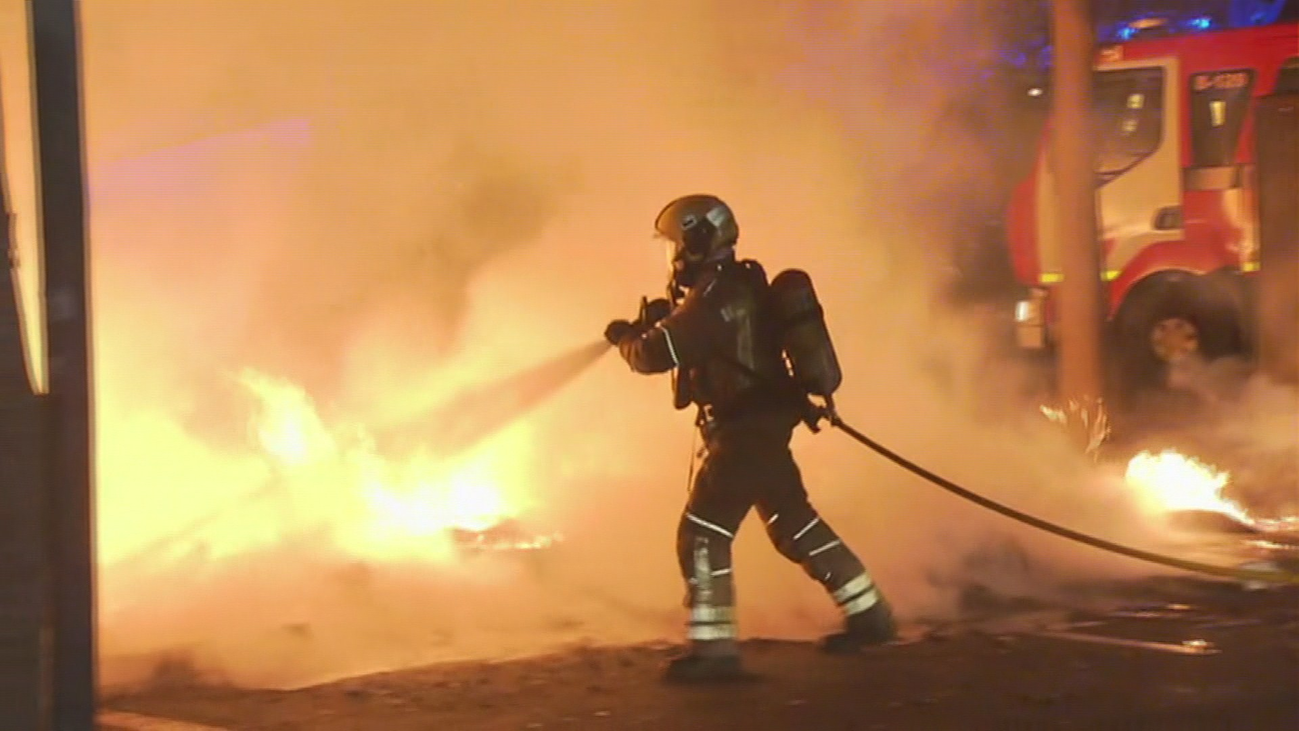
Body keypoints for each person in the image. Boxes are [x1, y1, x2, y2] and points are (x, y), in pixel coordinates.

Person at [603, 194, 896, 683]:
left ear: (697, 238)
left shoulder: (719, 294)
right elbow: (688, 338)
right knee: (794, 524)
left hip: (745, 431)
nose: (673, 255)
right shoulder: (726, 289)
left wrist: (626, 339)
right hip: (759, 425)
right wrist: (654, 322)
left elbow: (660, 352)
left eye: (675, 243)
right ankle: (870, 615)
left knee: (702, 533)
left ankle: (714, 653)